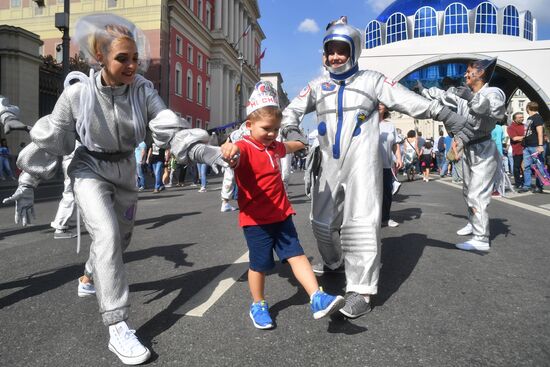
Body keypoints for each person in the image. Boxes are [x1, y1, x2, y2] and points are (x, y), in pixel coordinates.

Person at [1, 14, 225, 365]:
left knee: (120, 241)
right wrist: (27, 183)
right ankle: (117, 325)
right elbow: (52, 143)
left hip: (125, 169)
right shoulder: (76, 95)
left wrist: (201, 149)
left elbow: (166, 125)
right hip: (88, 167)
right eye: (123, 58)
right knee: (105, 236)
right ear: (100, 59)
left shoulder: (143, 90)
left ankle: (91, 272)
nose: (132, 65)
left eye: (135, 57)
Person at [280, 16, 474, 318]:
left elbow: (407, 100)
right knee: (321, 224)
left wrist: (444, 114)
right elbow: (290, 111)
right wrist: (291, 128)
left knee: (360, 225)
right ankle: (334, 263)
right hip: (328, 166)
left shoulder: (373, 81)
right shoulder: (318, 86)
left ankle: (361, 290)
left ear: (354, 51)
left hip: (361, 164)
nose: (334, 57)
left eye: (341, 50)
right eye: (330, 51)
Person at [221, 81, 345, 329]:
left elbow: (290, 146)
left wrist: (302, 138)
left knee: (297, 256)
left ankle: (316, 297)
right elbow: (232, 152)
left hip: (282, 214)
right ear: (249, 126)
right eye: (266, 129)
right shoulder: (244, 147)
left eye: (275, 129)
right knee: (259, 266)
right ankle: (258, 304)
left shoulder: (273, 145)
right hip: (256, 221)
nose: (271, 134)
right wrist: (228, 147)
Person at [421, 57, 505, 252]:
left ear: (481, 73)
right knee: (468, 190)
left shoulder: (493, 92)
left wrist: (472, 98)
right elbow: (443, 96)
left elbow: (496, 113)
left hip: (484, 149)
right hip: (468, 147)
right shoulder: (465, 93)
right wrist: (422, 90)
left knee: (477, 193)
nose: (466, 74)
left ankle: (481, 238)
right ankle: (473, 223)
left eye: (469, 71)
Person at [379, 104, 403, 227]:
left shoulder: (390, 125)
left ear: (387, 107)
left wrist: (398, 157)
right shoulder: (365, 122)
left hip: (386, 164)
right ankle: (369, 219)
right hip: (368, 166)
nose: (379, 105)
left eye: (382, 103)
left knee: (387, 192)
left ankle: (385, 218)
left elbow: (395, 144)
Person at [518, 102, 545, 193]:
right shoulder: (530, 118)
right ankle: (527, 185)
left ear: (528, 108)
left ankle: (539, 186)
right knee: (527, 167)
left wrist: (540, 145)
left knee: (538, 166)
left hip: (535, 146)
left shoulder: (537, 117)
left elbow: (540, 132)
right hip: (527, 146)